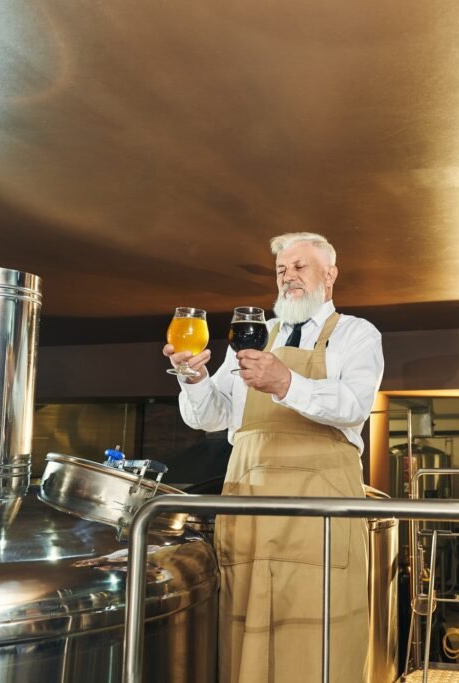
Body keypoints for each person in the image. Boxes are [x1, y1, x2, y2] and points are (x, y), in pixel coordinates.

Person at [163, 231, 384, 683]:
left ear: (330, 274)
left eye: (300, 267)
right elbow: (211, 418)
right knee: (246, 626)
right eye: (282, 270)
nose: (289, 278)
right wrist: (195, 378)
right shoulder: (253, 334)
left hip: (319, 511)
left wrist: (286, 384)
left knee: (319, 629)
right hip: (250, 505)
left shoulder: (357, 334)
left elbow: (354, 405)